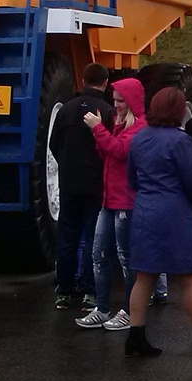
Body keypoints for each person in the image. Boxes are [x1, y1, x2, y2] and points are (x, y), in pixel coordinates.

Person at [123, 87, 192, 359]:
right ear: (179, 111)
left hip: (145, 212)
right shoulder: (180, 141)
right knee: (190, 278)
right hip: (174, 215)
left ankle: (135, 337)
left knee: (144, 276)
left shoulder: (139, 138)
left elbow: (132, 179)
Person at [76, 77, 146, 332]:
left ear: (132, 102)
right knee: (99, 254)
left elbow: (119, 151)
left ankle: (129, 310)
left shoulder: (139, 127)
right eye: (114, 100)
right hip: (110, 199)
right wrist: (102, 132)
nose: (116, 105)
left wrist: (98, 129)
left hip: (126, 201)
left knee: (126, 258)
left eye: (120, 101)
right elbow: (107, 151)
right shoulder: (120, 125)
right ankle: (103, 308)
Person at [49, 62, 113, 310]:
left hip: (69, 182)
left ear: (82, 79)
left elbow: (54, 144)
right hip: (96, 184)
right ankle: (88, 290)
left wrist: (66, 165)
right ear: (105, 82)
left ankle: (63, 290)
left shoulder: (65, 110)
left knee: (67, 236)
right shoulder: (106, 111)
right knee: (92, 237)